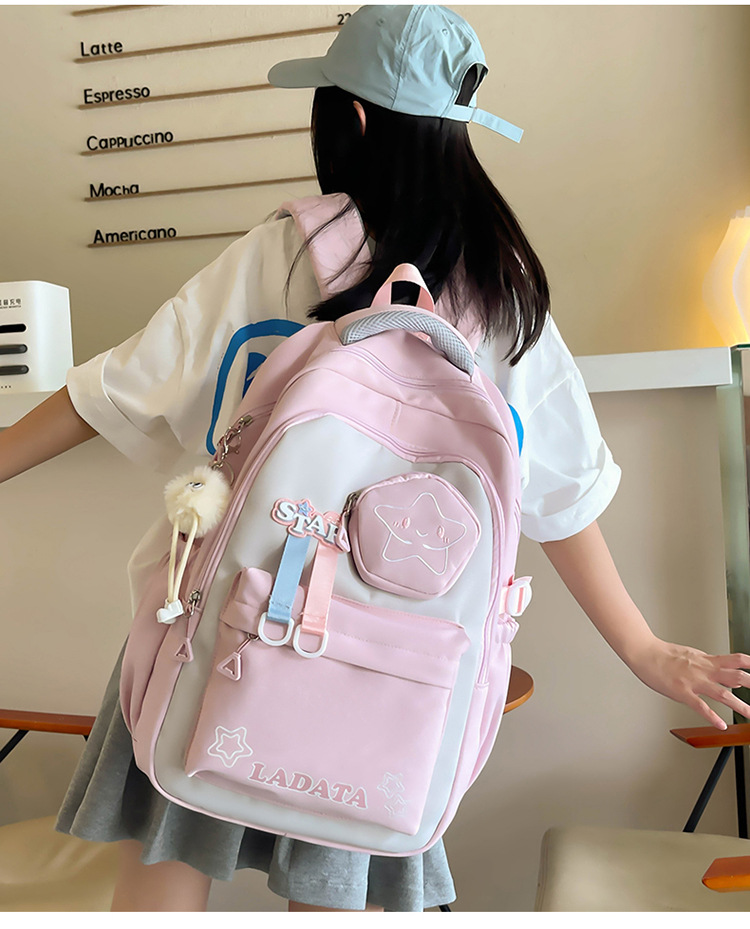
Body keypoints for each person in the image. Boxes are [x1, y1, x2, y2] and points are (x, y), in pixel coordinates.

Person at [2, 4, 750, 914]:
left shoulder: (284, 250)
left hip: (224, 620)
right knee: (336, 884)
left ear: (350, 117)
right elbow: (561, 496)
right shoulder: (506, 291)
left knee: (166, 860)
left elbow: (113, 389)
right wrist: (644, 648)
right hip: (389, 663)